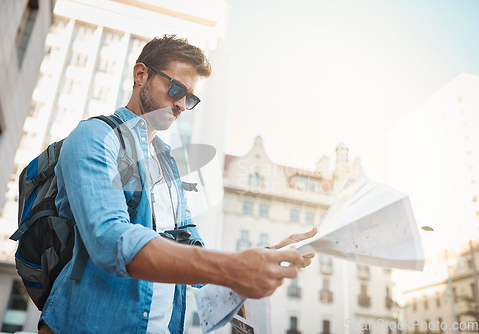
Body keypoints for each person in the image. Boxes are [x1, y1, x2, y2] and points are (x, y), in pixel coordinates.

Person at [38, 35, 317, 334]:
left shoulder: (168, 165)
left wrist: (268, 254)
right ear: (140, 74)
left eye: (191, 98)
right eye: (176, 89)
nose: (182, 104)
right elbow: (110, 240)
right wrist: (233, 267)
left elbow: (190, 249)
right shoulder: (95, 136)